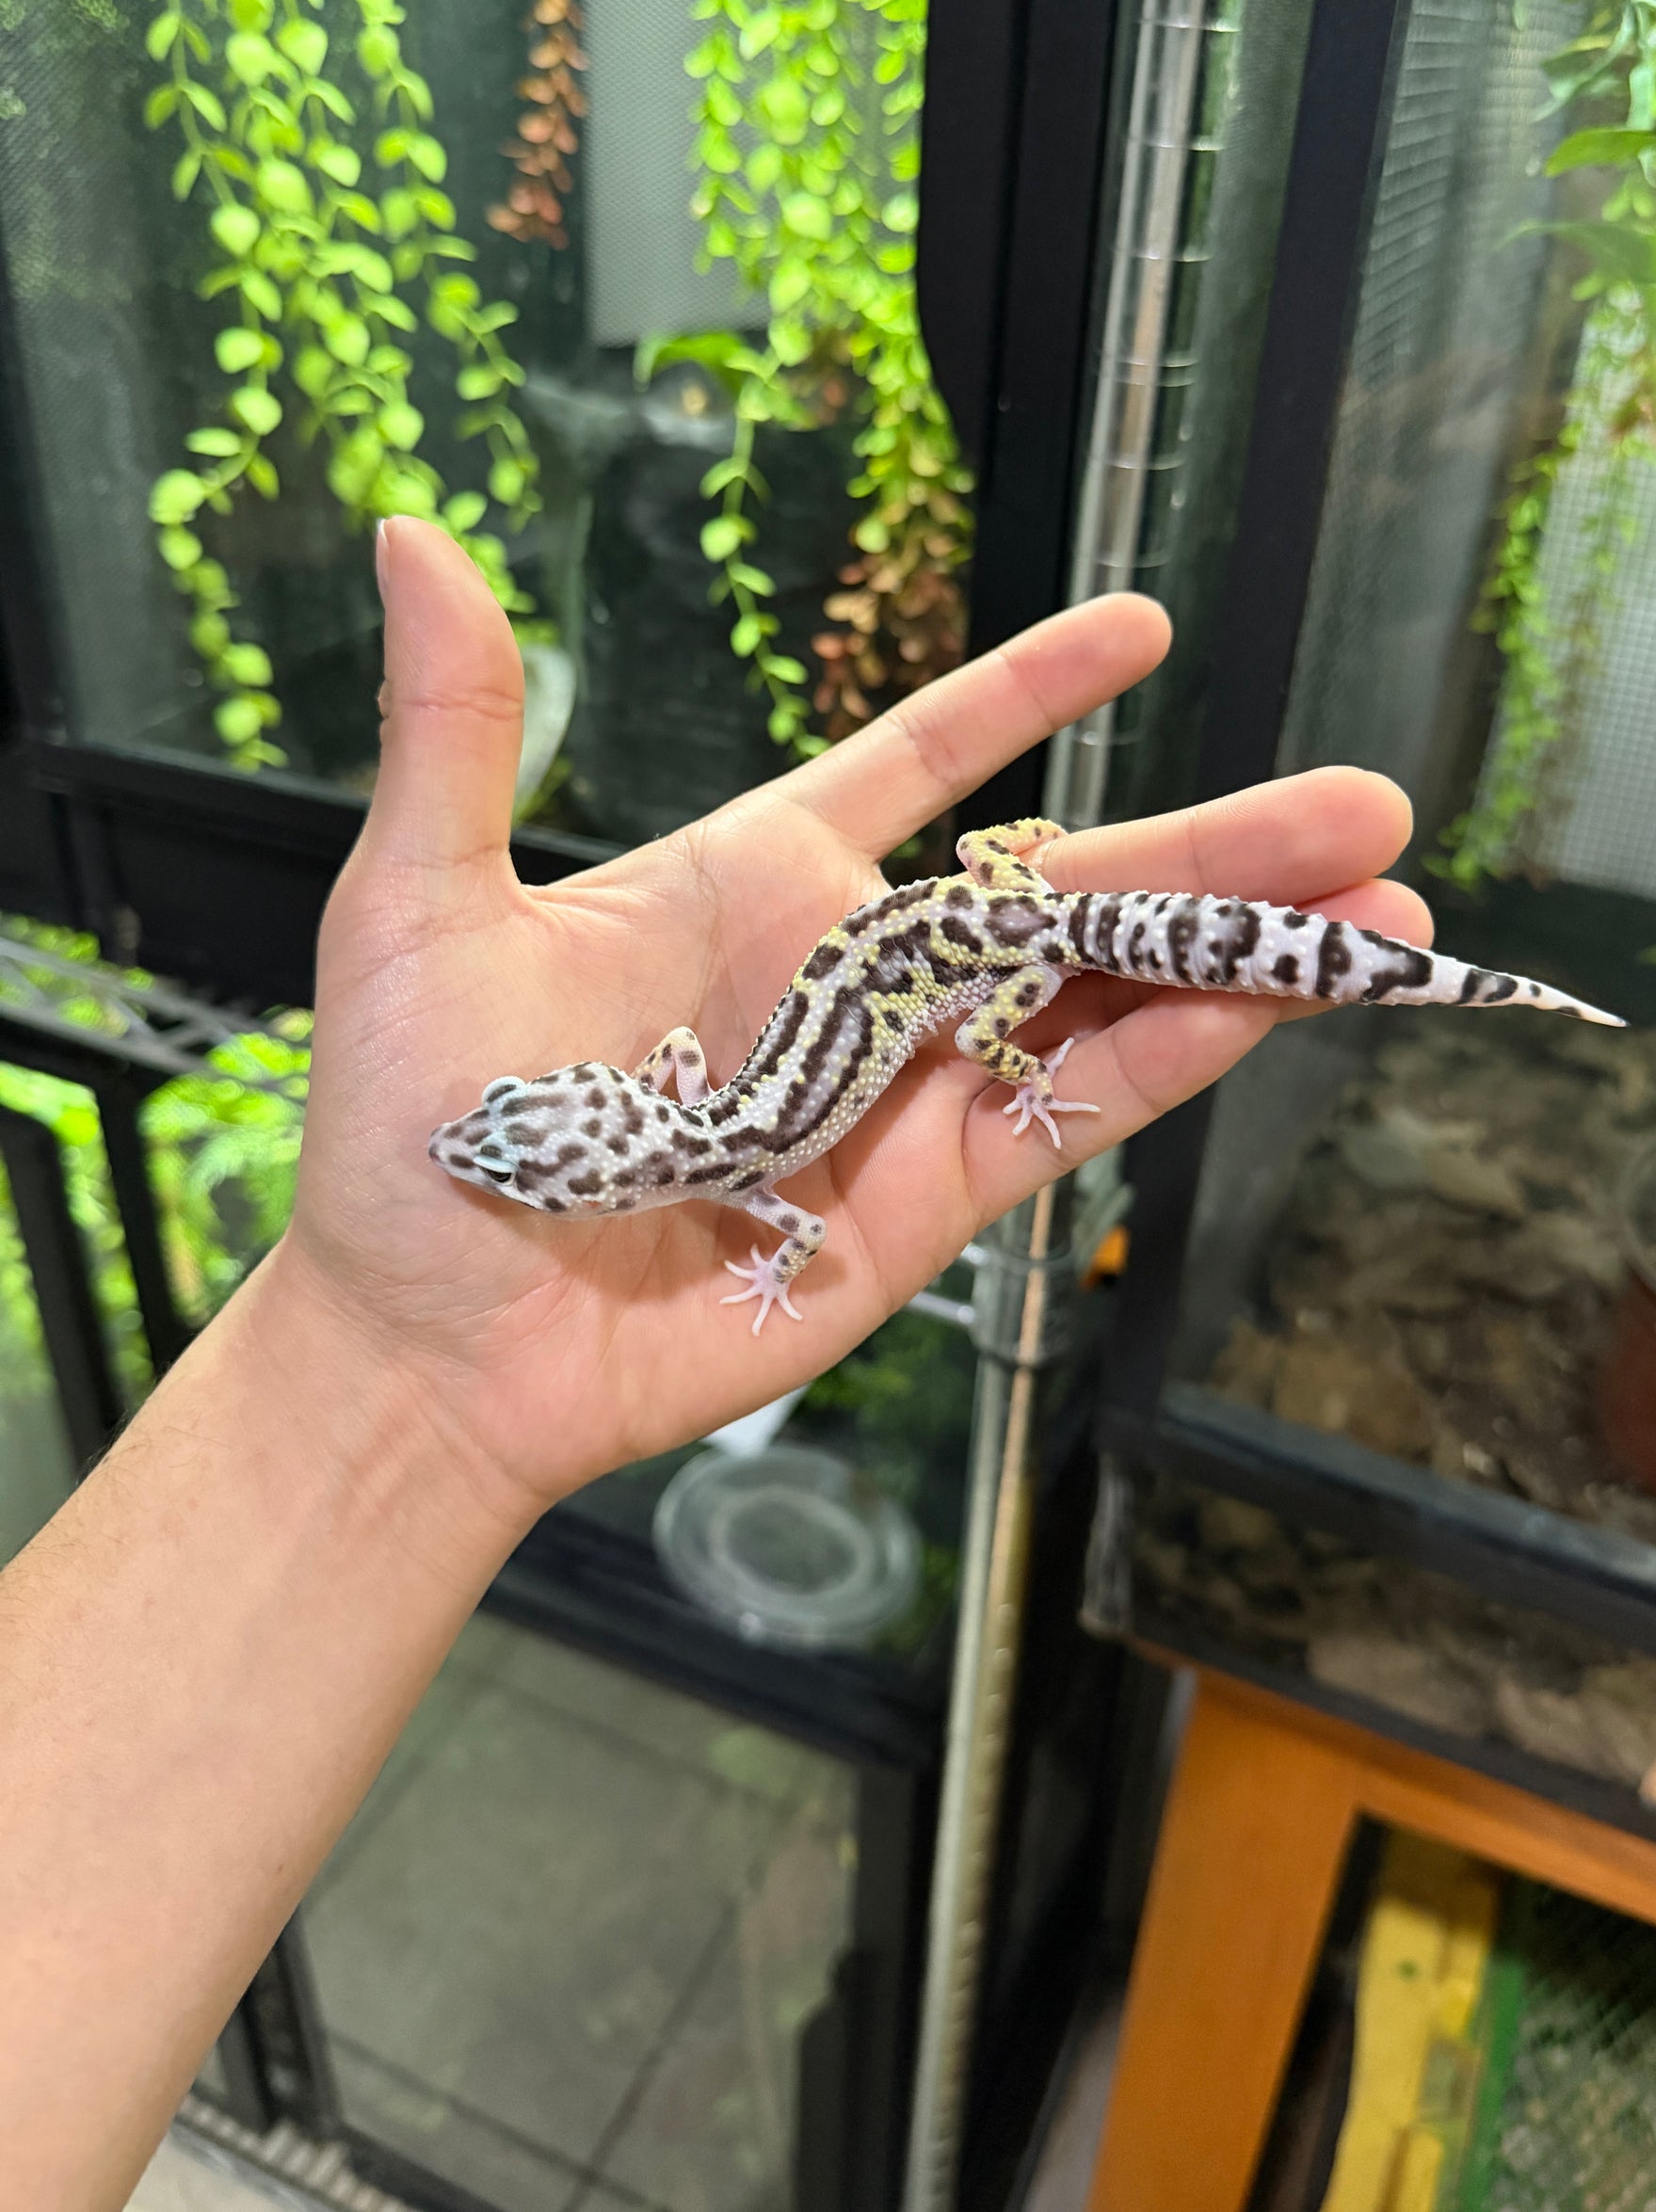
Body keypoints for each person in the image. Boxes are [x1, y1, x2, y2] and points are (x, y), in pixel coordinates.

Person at [0, 519, 1428, 2209]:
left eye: (516, 1144)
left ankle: (1371, 965)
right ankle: (1267, 941)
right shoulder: (711, 1125)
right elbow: (718, 1113)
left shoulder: (739, 1161)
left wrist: (891, 1156)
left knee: (1052, 997)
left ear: (613, 1153)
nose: (487, 1153)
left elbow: (795, 1223)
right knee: (1087, 942)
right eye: (518, 1147)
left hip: (984, 955)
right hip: (979, 914)